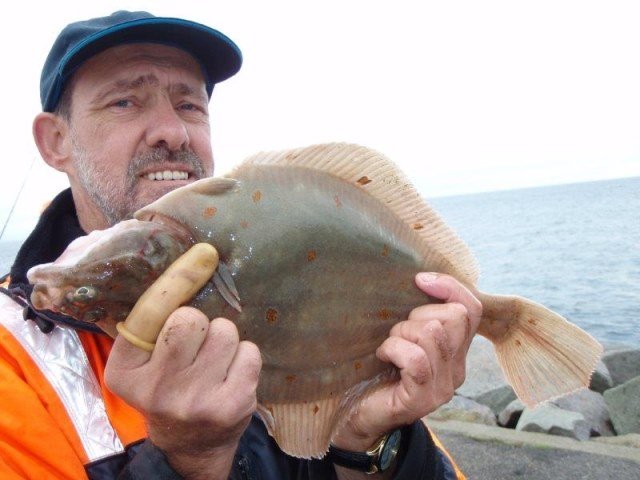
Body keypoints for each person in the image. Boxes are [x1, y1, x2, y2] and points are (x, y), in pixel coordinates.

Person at [0, 10, 481, 480]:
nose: (173, 131)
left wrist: (366, 443)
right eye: (125, 102)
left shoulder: (279, 261)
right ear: (55, 141)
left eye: (189, 105)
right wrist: (185, 460)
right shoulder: (13, 361)